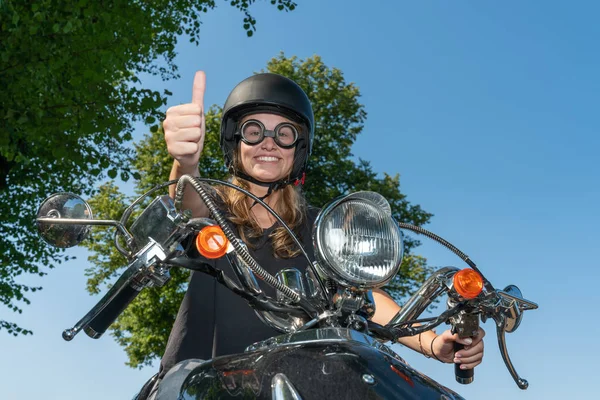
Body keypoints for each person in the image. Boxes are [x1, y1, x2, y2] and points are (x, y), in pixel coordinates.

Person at [156, 71, 485, 391]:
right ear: (235, 142)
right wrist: (186, 163)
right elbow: (186, 206)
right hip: (205, 382)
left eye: (284, 133)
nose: (268, 143)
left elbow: (367, 299)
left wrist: (433, 343)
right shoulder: (215, 208)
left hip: (303, 383)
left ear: (298, 149)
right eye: (254, 131)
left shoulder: (323, 225)